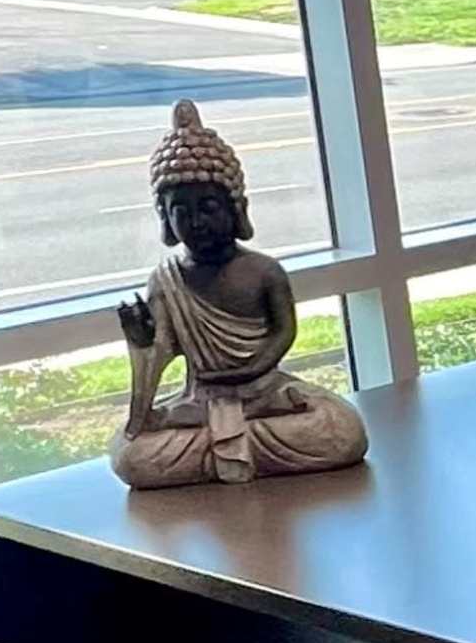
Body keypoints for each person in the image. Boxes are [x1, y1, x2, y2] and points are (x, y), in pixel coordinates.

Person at [110, 100, 370, 488]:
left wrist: (252, 369)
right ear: (164, 218)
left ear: (237, 209)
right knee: (131, 457)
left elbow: (283, 334)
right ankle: (231, 447)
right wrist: (142, 341)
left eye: (209, 206)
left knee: (344, 432)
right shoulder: (165, 280)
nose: (196, 221)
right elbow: (162, 352)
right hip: (202, 403)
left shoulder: (264, 271)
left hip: (267, 396)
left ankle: (221, 450)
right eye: (181, 209)